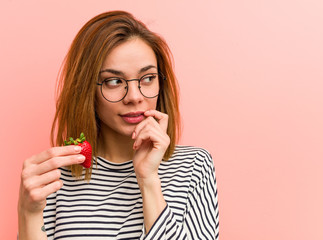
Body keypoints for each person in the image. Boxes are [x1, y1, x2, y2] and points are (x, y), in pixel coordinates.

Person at [18, 10, 219, 240]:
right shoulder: (54, 178)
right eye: (114, 81)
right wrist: (28, 213)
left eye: (147, 78)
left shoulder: (193, 167)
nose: (134, 96)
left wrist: (148, 179)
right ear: (87, 90)